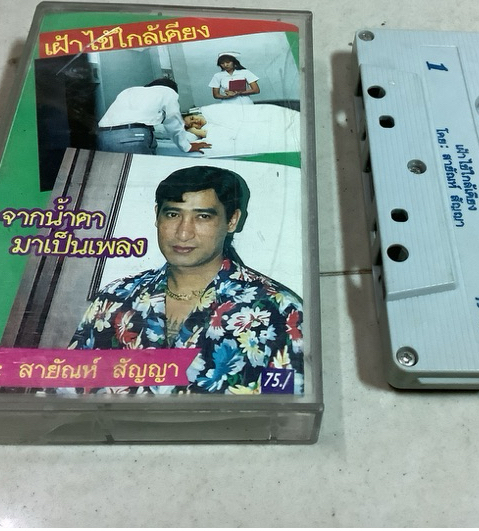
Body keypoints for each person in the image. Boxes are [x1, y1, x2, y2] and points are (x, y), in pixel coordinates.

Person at [69, 165, 304, 395]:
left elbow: (286, 410)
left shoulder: (280, 311)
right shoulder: (115, 298)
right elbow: (68, 390)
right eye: (173, 214)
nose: (183, 233)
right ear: (157, 216)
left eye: (202, 216)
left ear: (232, 221)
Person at [96, 78, 211, 154]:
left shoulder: (129, 91)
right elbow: (173, 122)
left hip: (102, 136)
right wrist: (187, 147)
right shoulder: (168, 92)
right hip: (132, 137)